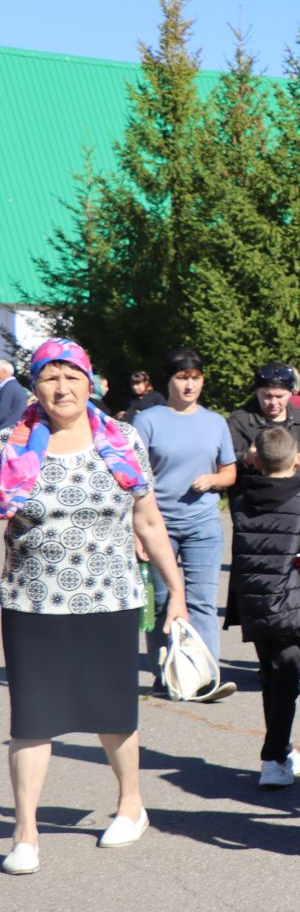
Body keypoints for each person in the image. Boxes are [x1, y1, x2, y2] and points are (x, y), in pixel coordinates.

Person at [2, 340, 187, 876]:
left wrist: (175, 592)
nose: (61, 389)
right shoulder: (9, 448)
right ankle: (26, 833)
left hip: (109, 600)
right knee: (31, 719)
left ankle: (132, 804)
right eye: (49, 378)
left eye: (71, 377)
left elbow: (148, 522)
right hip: (31, 601)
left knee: (114, 713)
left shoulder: (122, 438)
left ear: (90, 382)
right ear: (33, 387)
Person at [228, 364, 300, 682]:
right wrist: (245, 457)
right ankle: (270, 651)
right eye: (267, 395)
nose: (273, 402)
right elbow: (225, 463)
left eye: (280, 396)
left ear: (291, 393)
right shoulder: (240, 422)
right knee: (267, 586)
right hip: (261, 520)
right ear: (256, 392)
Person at [132, 348, 238, 700]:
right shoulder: (148, 420)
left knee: (202, 600)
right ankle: (168, 675)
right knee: (164, 602)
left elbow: (231, 472)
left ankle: (206, 676)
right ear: (169, 380)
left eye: (195, 378)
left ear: (202, 380)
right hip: (158, 523)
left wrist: (213, 480)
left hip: (203, 524)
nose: (189, 385)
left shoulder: (215, 422)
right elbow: (132, 477)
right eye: (182, 377)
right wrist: (136, 530)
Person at [228, 425, 300, 790]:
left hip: (254, 603)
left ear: (256, 461)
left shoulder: (240, 503)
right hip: (292, 605)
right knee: (285, 684)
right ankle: (272, 759)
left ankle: (281, 749)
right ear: (297, 460)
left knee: (271, 678)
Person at [0, 358, 28, 432]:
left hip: (3, 430)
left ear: (4, 372)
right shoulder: (15, 386)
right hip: (11, 430)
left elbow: (2, 413)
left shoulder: (9, 387)